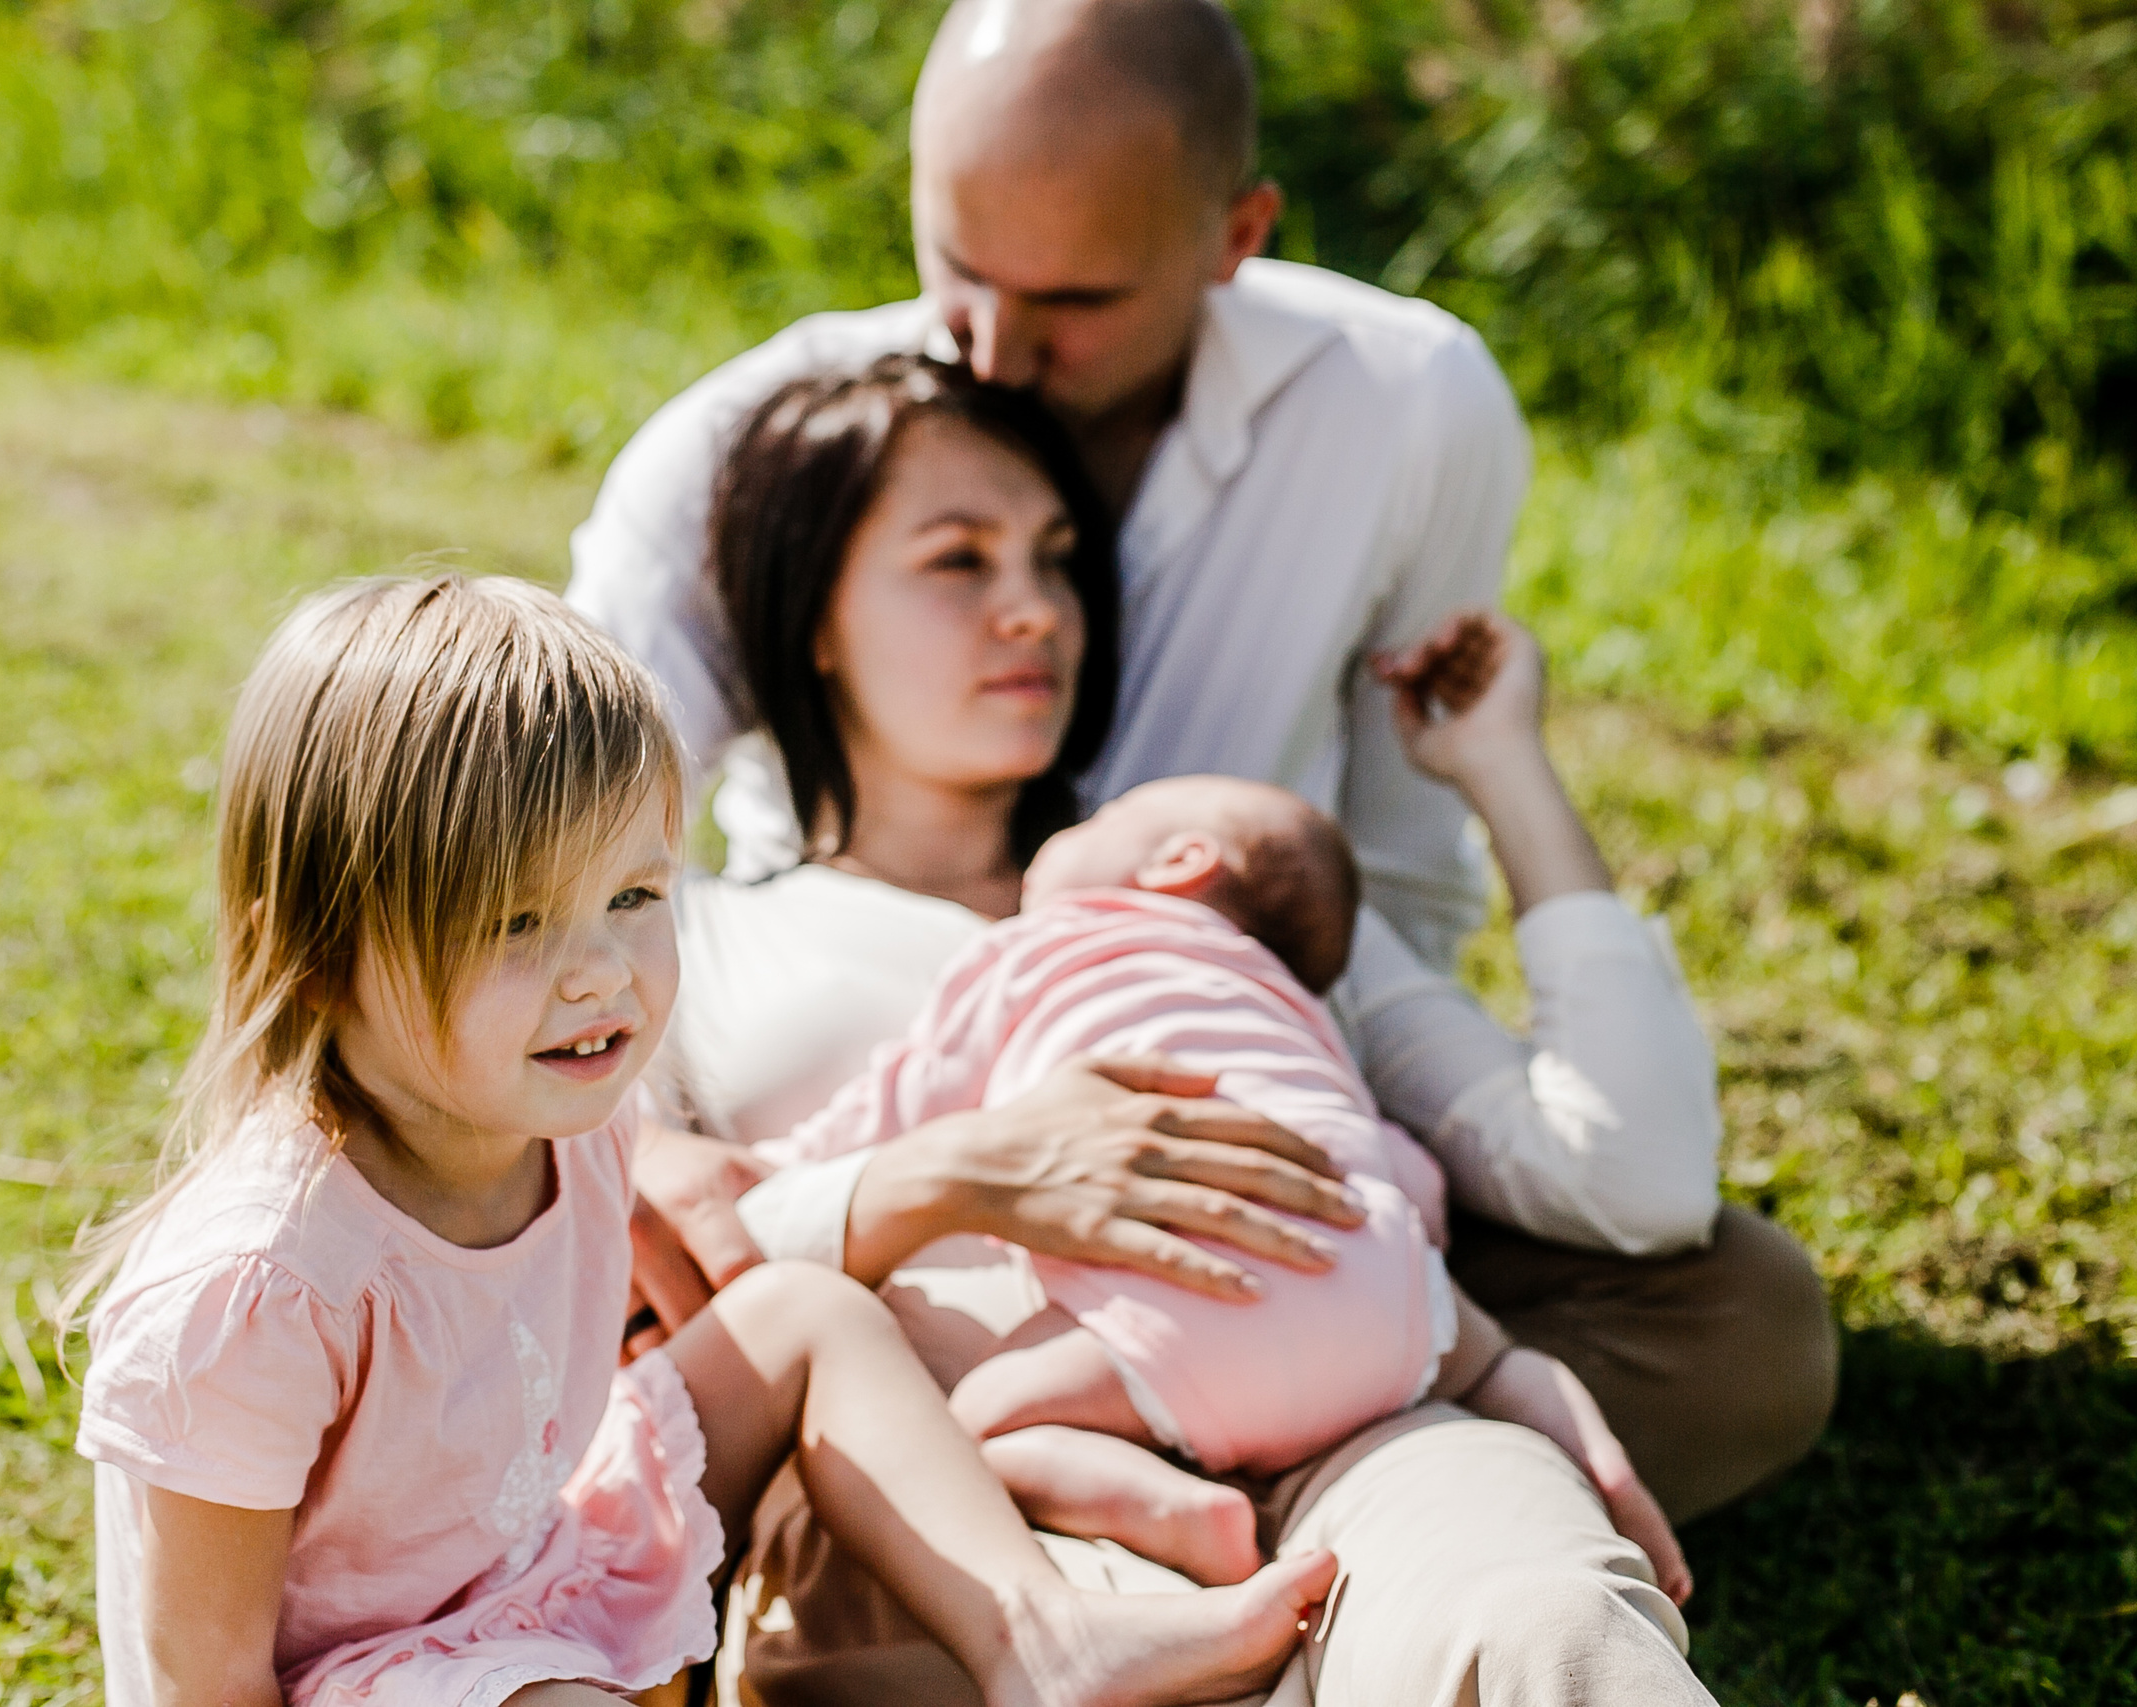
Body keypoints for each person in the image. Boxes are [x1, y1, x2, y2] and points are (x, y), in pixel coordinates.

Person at [574, 0, 1833, 1532]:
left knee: (1743, 1317)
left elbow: (1405, 869)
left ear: (1236, 236)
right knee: (622, 1280)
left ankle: (1219, 1454)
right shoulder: (749, 461)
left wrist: (1304, 1127)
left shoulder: (1399, 407)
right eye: (954, 265)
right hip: (871, 1181)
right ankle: (1247, 1487)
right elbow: (537, 865)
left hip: (1256, 1075)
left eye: (1075, 298)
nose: (988, 345)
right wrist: (657, 1156)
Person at [58, 575, 1341, 1707]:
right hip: (367, 1678)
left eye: (633, 896)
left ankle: (1037, 1636)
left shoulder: (578, 1114)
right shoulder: (257, 1291)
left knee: (805, 1315)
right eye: (516, 923)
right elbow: (200, 1684)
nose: (602, 977)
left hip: (529, 1565)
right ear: (324, 947)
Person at [656, 357, 1722, 1703]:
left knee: (1543, 1615)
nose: (1034, 610)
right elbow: (619, 1299)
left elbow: (1630, 1171)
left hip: (1353, 1413)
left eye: (1053, 560)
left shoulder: (1227, 894)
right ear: (812, 614)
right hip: (960, 1498)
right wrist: (959, 1169)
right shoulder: (693, 941)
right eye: (958, 560)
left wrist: (1506, 761)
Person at [767, 764, 1694, 1604]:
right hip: (1381, 1296)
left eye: (1114, 812)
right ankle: (1603, 1469)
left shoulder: (1037, 948)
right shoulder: (1294, 1010)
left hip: (1185, 1304)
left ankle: (1174, 1509)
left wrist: (783, 1169)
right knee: (1497, 1363)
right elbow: (1394, 1161)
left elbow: (900, 1101)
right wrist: (1415, 1248)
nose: (1089, 816)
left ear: (1180, 859)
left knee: (962, 1430)